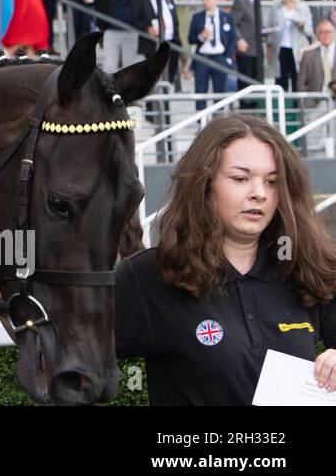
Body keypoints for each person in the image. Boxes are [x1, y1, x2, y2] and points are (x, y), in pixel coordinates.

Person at [115, 114, 336, 405]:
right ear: (204, 184)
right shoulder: (149, 276)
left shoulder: (304, 267)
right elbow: (67, 356)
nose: (259, 194)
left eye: (272, 182)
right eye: (240, 178)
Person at [189, 0, 244, 108]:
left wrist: (227, 58)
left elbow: (232, 39)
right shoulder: (197, 17)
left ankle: (217, 121)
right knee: (200, 90)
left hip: (220, 58)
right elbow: (190, 39)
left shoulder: (226, 17)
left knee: (219, 92)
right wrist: (201, 36)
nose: (204, 2)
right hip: (203, 57)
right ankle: (200, 121)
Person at [270, 0, 314, 93]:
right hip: (281, 47)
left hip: (298, 48)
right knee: (281, 78)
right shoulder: (275, 8)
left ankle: (296, 105)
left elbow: (309, 31)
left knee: (297, 77)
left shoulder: (303, 8)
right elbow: (270, 27)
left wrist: (301, 25)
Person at [298, 18, 336, 102]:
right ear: (317, 35)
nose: (325, 35)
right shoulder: (307, 55)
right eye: (321, 32)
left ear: (333, 33)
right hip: (315, 103)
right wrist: (308, 101)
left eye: (328, 32)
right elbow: (301, 84)